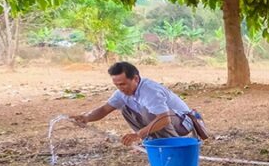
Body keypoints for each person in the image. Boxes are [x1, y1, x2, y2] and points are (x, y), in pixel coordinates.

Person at [71, 61, 208, 145]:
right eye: (117, 85)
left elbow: (165, 119)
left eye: (123, 84)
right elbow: (105, 109)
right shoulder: (122, 93)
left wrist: (138, 134)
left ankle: (171, 144)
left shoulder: (150, 91)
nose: (120, 88)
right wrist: (87, 117)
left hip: (183, 122)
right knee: (125, 108)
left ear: (135, 79)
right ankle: (153, 142)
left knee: (150, 112)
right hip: (167, 119)